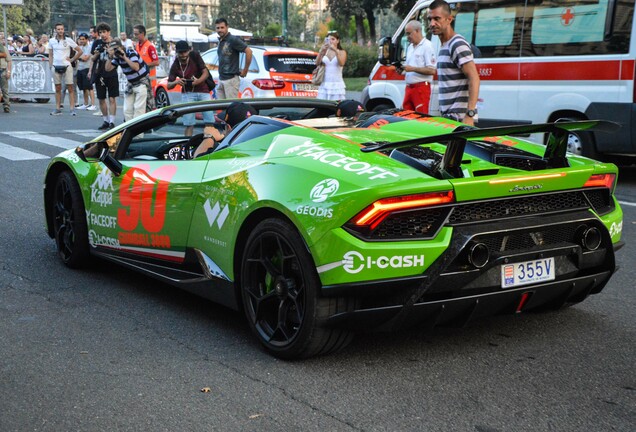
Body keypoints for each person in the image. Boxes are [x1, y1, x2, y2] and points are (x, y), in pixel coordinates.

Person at [427, 0, 480, 125]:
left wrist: (470, 115)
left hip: (460, 120)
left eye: (437, 19)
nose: (432, 23)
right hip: (449, 118)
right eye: (430, 19)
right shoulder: (444, 46)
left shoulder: (457, 44)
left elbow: (474, 78)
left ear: (449, 19)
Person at [167, 40, 214, 136]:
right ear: (177, 52)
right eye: (180, 52)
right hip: (187, 92)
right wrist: (177, 82)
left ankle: (211, 143)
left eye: (185, 52)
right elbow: (168, 85)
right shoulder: (176, 64)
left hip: (202, 90)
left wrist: (198, 81)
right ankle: (187, 145)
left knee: (209, 121)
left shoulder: (195, 56)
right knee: (189, 123)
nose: (183, 55)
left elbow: (205, 73)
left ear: (189, 51)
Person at [395, 20, 436, 113]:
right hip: (409, 87)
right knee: (406, 117)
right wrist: (402, 71)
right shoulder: (410, 47)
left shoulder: (427, 46)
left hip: (421, 88)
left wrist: (412, 68)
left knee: (421, 117)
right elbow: (410, 68)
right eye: (406, 34)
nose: (408, 37)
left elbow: (432, 70)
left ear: (417, 31)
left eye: (409, 33)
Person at [105, 39, 149, 122]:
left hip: (141, 83)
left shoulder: (131, 52)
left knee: (138, 110)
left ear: (121, 47)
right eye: (113, 49)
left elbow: (136, 67)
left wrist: (124, 57)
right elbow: (108, 69)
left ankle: (138, 134)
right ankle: (130, 131)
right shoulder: (117, 57)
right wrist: (110, 57)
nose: (115, 51)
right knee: (127, 111)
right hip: (131, 84)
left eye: (116, 49)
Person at [193, 101, 257, 157]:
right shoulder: (262, 145)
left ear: (228, 128)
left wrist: (209, 137)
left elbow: (197, 160)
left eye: (223, 126)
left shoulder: (227, 151)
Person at [89, 22, 119, 130]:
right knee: (101, 98)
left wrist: (110, 53)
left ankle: (112, 121)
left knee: (112, 98)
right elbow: (92, 58)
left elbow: (119, 56)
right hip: (99, 73)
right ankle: (105, 120)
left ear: (109, 32)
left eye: (104, 32)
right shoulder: (96, 42)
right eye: (100, 32)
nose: (102, 34)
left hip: (111, 73)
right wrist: (97, 53)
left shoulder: (115, 43)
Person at [215, 18, 252, 99]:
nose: (220, 30)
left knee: (231, 107)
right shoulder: (221, 40)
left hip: (231, 80)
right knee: (221, 107)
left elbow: (249, 51)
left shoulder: (232, 39)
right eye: (218, 28)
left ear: (227, 27)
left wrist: (245, 70)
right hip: (221, 78)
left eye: (222, 27)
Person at [49, 23, 81, 116]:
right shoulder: (51, 41)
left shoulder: (68, 40)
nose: (60, 31)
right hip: (55, 66)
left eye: (61, 29)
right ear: (55, 30)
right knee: (58, 88)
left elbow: (79, 51)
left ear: (64, 30)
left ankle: (72, 108)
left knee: (70, 87)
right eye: (58, 29)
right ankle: (57, 108)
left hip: (67, 65)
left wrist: (72, 59)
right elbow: (50, 54)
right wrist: (50, 65)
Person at [132, 24, 159, 112]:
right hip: (140, 79)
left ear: (142, 33)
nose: (134, 36)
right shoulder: (136, 46)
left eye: (136, 34)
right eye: (134, 34)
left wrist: (144, 65)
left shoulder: (150, 46)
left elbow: (156, 62)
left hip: (150, 80)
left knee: (150, 104)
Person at [315, 31, 347, 101]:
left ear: (337, 41)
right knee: (322, 105)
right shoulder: (325, 51)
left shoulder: (342, 52)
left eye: (333, 39)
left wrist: (336, 51)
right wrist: (321, 52)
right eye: (329, 39)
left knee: (336, 105)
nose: (331, 41)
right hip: (325, 83)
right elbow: (317, 63)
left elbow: (341, 63)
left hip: (336, 84)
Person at [76, 33, 96, 110]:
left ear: (87, 40)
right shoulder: (79, 48)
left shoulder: (89, 47)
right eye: (80, 39)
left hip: (87, 68)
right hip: (79, 69)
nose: (81, 41)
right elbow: (78, 56)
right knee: (84, 88)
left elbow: (85, 58)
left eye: (83, 39)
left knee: (90, 87)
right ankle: (86, 103)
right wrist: (79, 57)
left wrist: (78, 57)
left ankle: (93, 104)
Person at [0, 32, 12, 113]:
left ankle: (6, 105)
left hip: (2, 70)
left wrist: (8, 71)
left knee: (5, 90)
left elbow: (9, 61)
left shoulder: (4, 49)